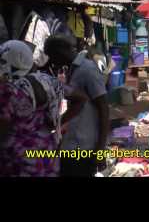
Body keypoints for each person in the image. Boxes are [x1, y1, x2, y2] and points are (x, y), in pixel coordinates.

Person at [0, 40, 85, 177]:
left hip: (18, 165)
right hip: (46, 159)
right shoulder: (48, 81)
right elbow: (81, 98)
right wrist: (58, 122)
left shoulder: (8, 92)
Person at [49, 35, 110, 177]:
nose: (52, 61)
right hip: (73, 143)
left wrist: (100, 149)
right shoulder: (73, 69)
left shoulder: (87, 70)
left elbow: (104, 108)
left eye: (52, 56)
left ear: (61, 51)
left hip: (84, 146)